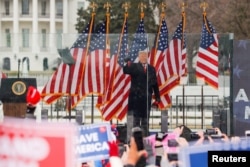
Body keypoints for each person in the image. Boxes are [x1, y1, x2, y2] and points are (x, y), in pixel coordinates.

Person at [123, 50, 161, 140]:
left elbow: (155, 84)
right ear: (139, 57)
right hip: (135, 99)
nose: (143, 57)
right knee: (135, 121)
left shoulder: (152, 69)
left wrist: (157, 97)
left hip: (146, 99)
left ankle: (146, 140)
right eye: (142, 56)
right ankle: (135, 141)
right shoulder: (134, 66)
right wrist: (126, 62)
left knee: (145, 121)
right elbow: (125, 70)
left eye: (145, 56)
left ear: (147, 57)